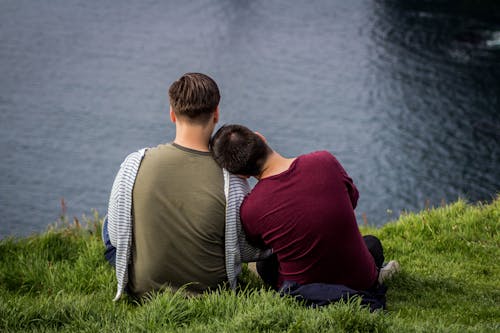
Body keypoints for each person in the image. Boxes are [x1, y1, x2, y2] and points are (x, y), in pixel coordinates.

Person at [103, 74, 270, 301]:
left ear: (172, 114)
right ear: (216, 114)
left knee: (108, 224)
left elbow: (115, 235)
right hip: (211, 293)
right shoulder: (232, 180)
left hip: (142, 292)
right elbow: (248, 249)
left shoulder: (135, 163)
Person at [210, 124, 400, 299]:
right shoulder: (324, 161)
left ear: (242, 175)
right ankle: (377, 274)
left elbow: (261, 245)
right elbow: (352, 201)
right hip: (362, 281)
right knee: (372, 243)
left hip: (304, 293)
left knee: (265, 265)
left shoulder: (251, 209)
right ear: (261, 137)